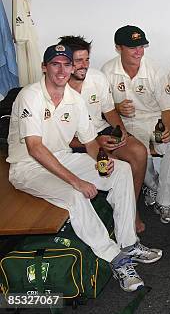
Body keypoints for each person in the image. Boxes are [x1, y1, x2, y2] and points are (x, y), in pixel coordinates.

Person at [7, 44, 162, 292]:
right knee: (74, 194)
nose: (61, 70)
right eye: (55, 64)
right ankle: (115, 258)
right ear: (44, 67)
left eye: (66, 64)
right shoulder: (30, 95)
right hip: (28, 167)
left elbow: (90, 142)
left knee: (121, 170)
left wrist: (102, 160)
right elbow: (35, 148)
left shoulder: (74, 99)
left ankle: (128, 243)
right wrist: (76, 180)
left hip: (62, 157)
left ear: (72, 68)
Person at [61, 35, 149, 233]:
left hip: (99, 130)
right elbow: (57, 140)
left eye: (87, 59)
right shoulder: (57, 87)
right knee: (115, 165)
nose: (84, 66)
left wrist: (121, 132)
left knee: (138, 151)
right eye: (78, 61)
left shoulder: (96, 78)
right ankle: (119, 214)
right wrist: (95, 143)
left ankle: (130, 208)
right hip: (73, 142)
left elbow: (109, 111)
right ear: (65, 62)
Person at [101, 25, 170, 224]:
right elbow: (103, 109)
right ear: (119, 48)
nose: (139, 52)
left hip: (155, 119)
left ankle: (165, 201)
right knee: (138, 152)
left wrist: (168, 128)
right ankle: (152, 186)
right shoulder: (108, 71)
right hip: (125, 123)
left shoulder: (154, 70)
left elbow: (168, 109)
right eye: (132, 47)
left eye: (141, 46)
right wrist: (117, 108)